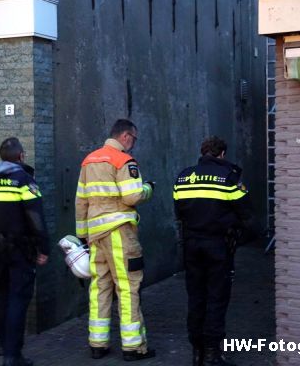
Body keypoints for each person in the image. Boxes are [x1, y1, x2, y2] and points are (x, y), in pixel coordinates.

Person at [75, 119, 156, 361]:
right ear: (126, 136)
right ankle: (133, 347)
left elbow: (81, 201)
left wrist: (82, 235)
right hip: (120, 232)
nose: (133, 144)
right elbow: (132, 196)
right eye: (134, 139)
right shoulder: (123, 160)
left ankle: (97, 344)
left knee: (100, 287)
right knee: (128, 287)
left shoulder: (88, 160)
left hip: (95, 236)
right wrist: (148, 189)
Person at [173, 136, 253, 366]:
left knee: (196, 297)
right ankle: (212, 355)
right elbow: (246, 213)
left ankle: (196, 353)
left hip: (191, 247)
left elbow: (179, 212)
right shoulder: (228, 177)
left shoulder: (183, 177)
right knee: (216, 298)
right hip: (218, 246)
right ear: (222, 154)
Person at [0, 137, 50, 366]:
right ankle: (13, 356)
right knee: (18, 299)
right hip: (20, 248)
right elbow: (36, 219)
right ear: (21, 156)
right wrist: (43, 248)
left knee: (2, 296)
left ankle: (1, 345)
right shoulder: (24, 181)